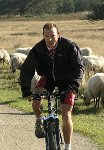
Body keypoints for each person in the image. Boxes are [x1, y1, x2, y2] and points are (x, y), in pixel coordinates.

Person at [20, 22, 84, 150]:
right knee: (36, 101)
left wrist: (75, 84)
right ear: (43, 35)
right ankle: (39, 121)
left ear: (58, 34)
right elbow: (27, 69)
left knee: (66, 114)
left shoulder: (69, 46)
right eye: (46, 36)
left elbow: (79, 66)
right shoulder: (38, 49)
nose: (50, 39)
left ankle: (67, 147)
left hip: (68, 80)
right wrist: (26, 89)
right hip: (48, 78)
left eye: (53, 36)